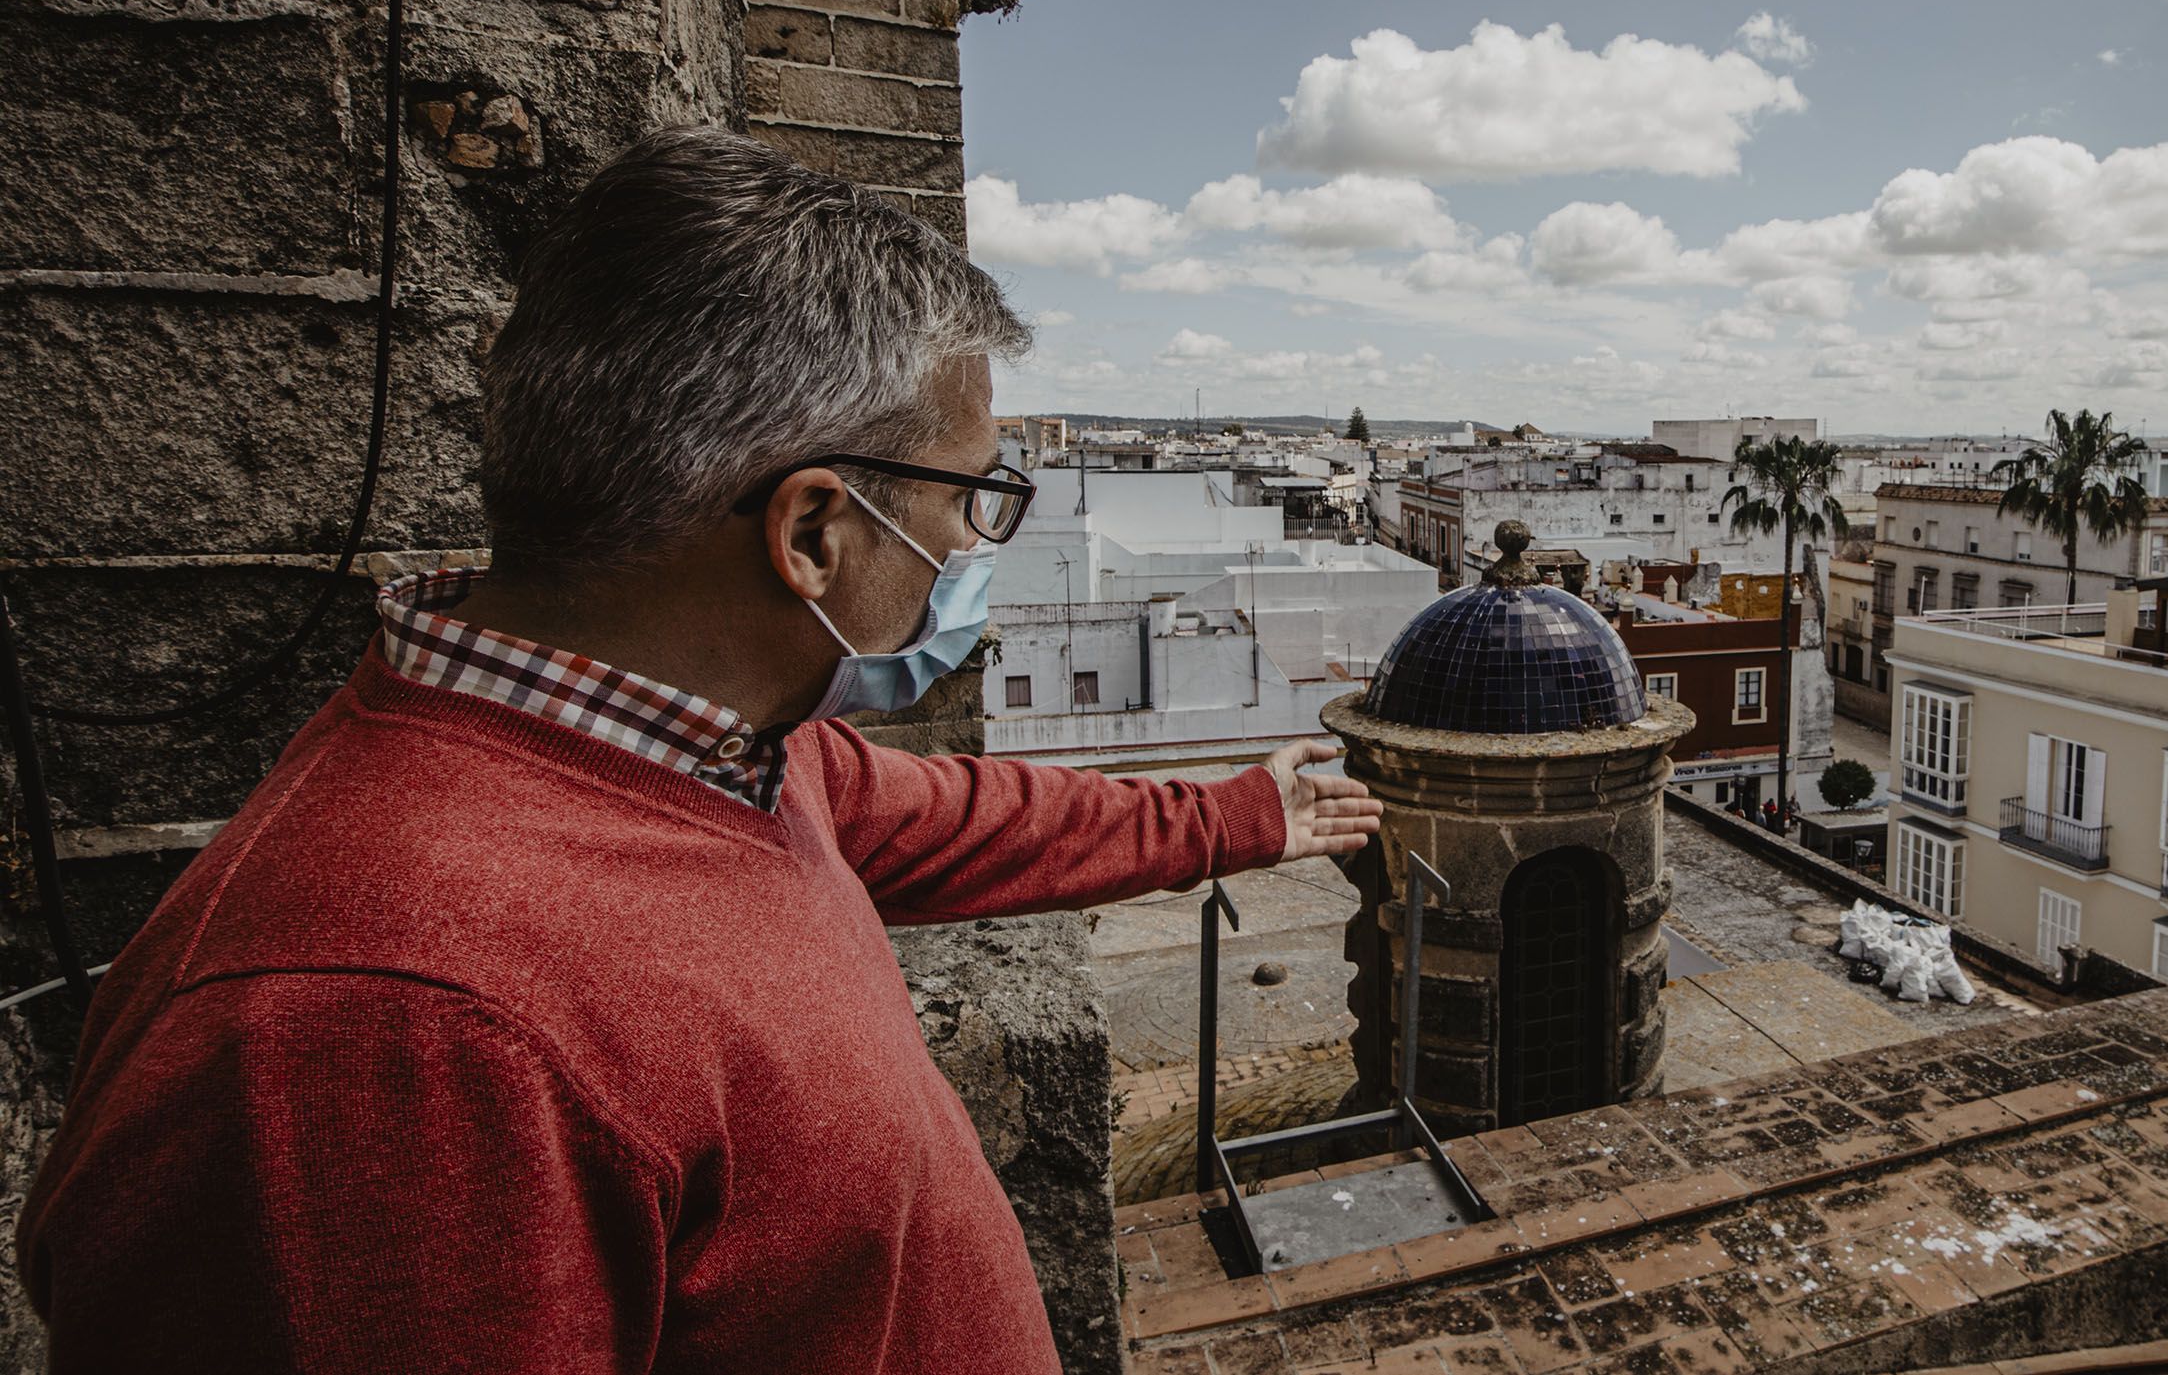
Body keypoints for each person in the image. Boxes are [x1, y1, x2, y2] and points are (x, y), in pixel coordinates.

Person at [15, 129, 1382, 1372]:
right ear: (810, 534)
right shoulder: (388, 1035)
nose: (973, 547)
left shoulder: (699, 751)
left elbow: (950, 809)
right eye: (971, 498)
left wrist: (1238, 817)